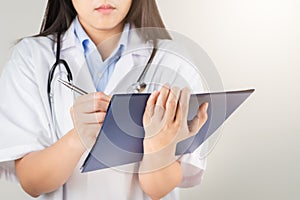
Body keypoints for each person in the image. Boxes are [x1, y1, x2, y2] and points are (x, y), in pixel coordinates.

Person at [0, 0, 208, 199]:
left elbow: (157, 190)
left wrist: (159, 147)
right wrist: (76, 138)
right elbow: (32, 182)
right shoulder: (32, 57)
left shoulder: (172, 60)